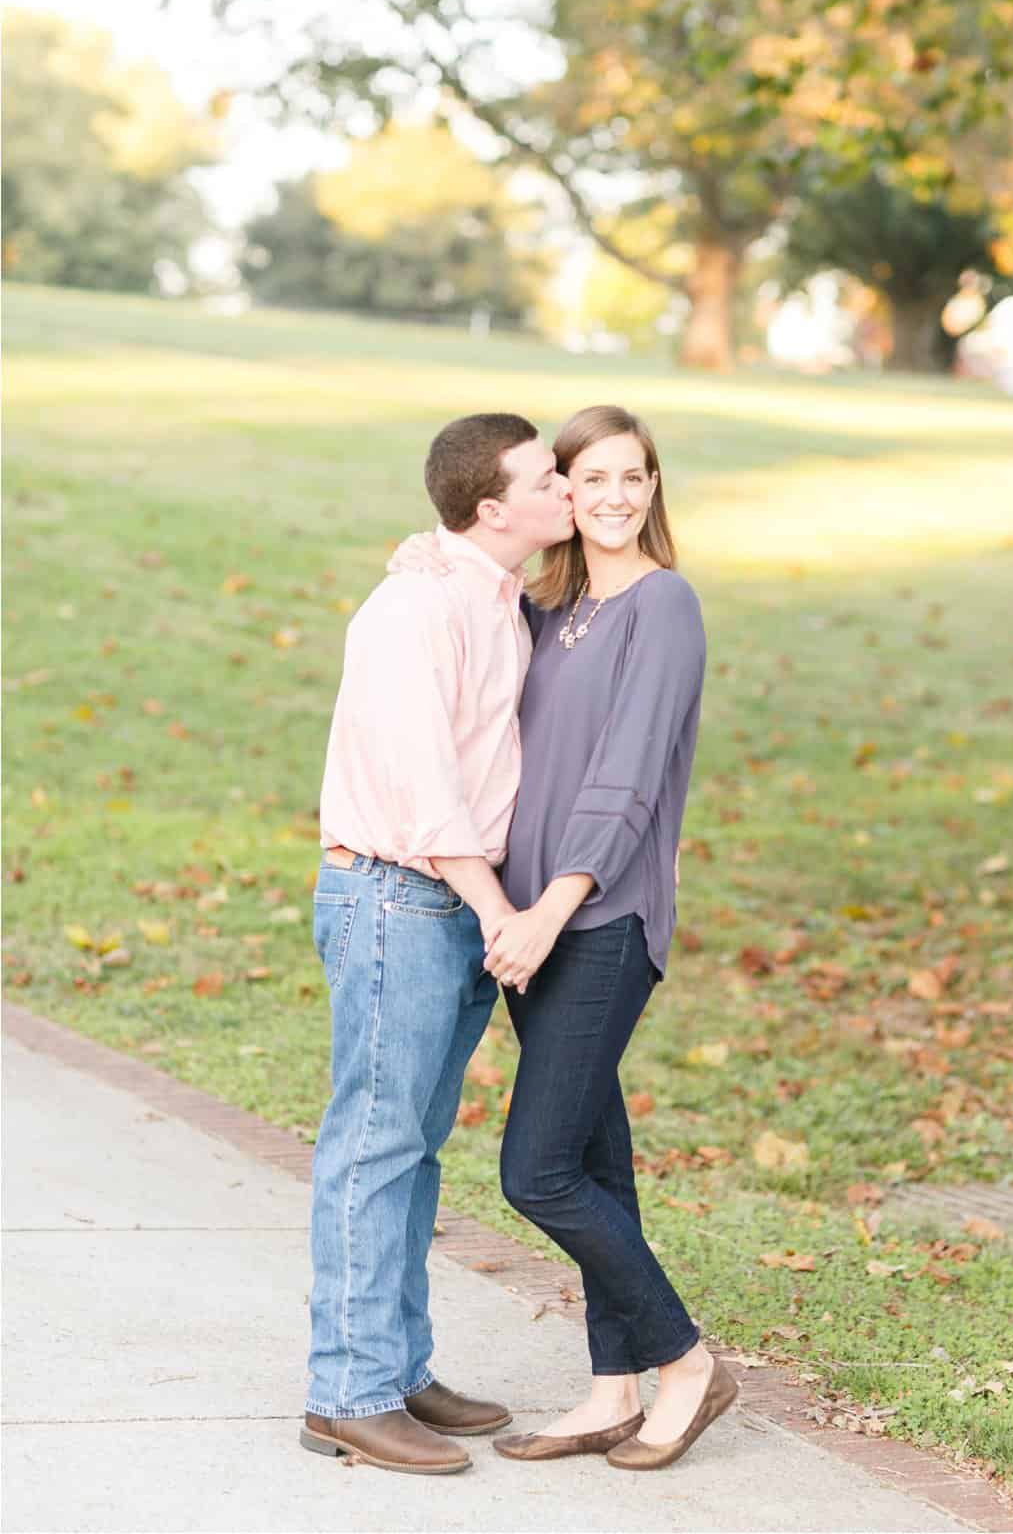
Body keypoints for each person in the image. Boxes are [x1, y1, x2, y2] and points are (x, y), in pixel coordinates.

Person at [390, 404, 737, 1472]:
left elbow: (628, 776)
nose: (618, 496)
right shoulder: (555, 608)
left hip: (598, 918)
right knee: (596, 1158)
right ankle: (609, 1387)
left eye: (637, 476)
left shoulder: (663, 606)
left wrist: (547, 909)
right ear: (564, 495)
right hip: (533, 924)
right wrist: (427, 559)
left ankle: (685, 1361)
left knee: (536, 1169)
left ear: (653, 486)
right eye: (594, 478)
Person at [302, 412, 574, 1476]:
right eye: (548, 478)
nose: (564, 492)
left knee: (412, 1150)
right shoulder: (414, 604)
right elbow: (421, 781)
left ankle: (398, 1365)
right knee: (372, 1146)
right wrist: (496, 907)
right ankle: (348, 1391)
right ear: (492, 506)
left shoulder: (494, 596)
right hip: (398, 897)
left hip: (453, 902)